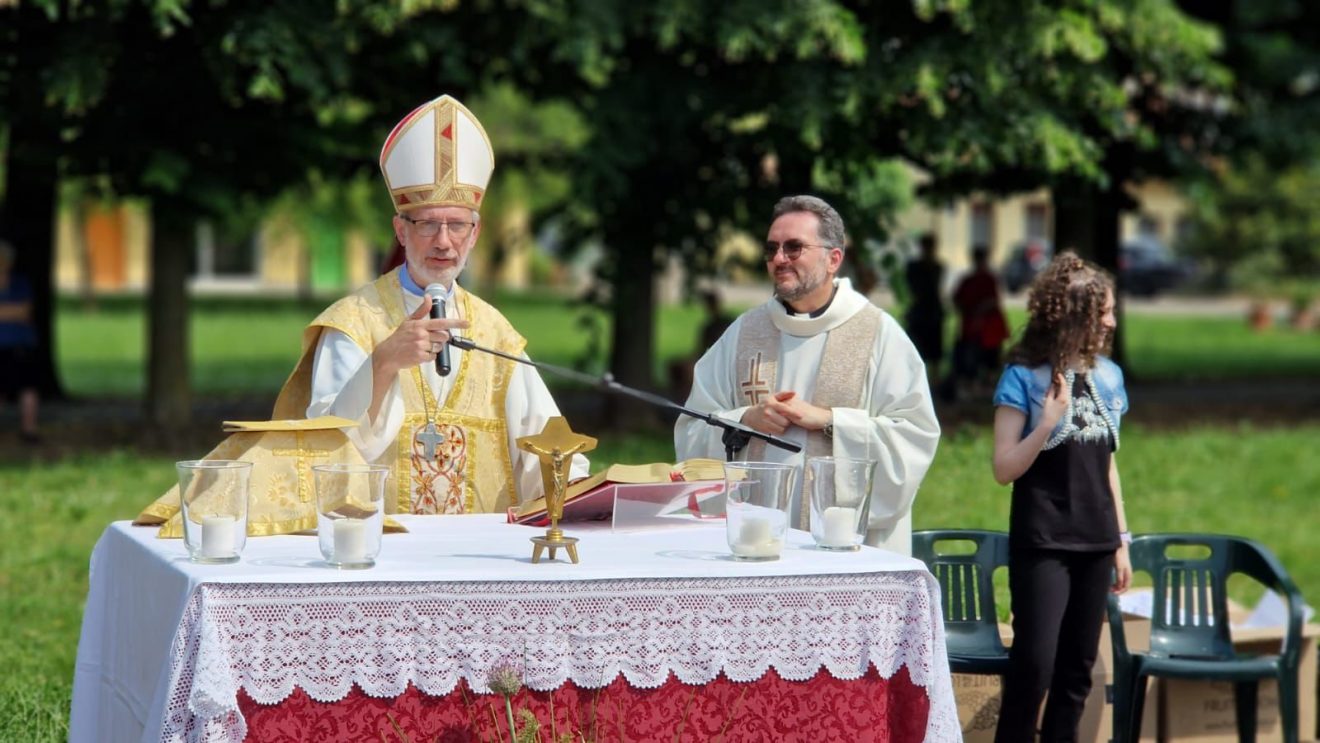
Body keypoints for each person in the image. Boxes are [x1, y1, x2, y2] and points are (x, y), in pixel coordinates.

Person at [273, 94, 587, 516]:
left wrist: (578, 487)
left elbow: (545, 444)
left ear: (474, 234)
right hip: (380, 541)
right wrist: (383, 363)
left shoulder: (494, 332)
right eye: (427, 224)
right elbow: (324, 450)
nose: (443, 241)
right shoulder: (353, 323)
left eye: (457, 225)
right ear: (400, 231)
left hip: (477, 547)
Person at [674, 195, 940, 555]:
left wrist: (830, 422)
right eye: (771, 249)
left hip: (849, 552)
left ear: (833, 259)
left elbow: (914, 437)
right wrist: (745, 420)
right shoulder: (744, 333)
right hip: (754, 547)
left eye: (794, 247)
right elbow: (692, 429)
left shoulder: (878, 334)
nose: (779, 259)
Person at [990, 253, 1132, 742]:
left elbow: (1108, 466)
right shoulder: (1023, 377)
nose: (1111, 322)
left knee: (1076, 673)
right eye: (1104, 312)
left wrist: (1121, 540)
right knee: (1035, 666)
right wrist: (1046, 423)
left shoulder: (1109, 377)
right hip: (1044, 541)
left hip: (1097, 541)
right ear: (1075, 315)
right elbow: (1003, 469)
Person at [949, 244, 1009, 400]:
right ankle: (976, 387)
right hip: (974, 329)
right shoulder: (970, 280)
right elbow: (957, 300)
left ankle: (987, 387)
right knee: (972, 359)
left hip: (988, 329)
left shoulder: (987, 279)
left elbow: (992, 301)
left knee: (989, 360)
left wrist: (978, 312)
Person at [0, 239, 40, 444]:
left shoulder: (20, 283)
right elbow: (20, 311)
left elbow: (25, 312)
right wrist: (12, 312)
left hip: (20, 345)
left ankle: (29, 430)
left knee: (28, 388)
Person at [904, 233, 946, 390]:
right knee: (918, 349)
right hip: (922, 311)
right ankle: (917, 382)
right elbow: (915, 288)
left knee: (934, 351)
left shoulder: (937, 267)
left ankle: (933, 382)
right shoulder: (915, 267)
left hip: (931, 311)